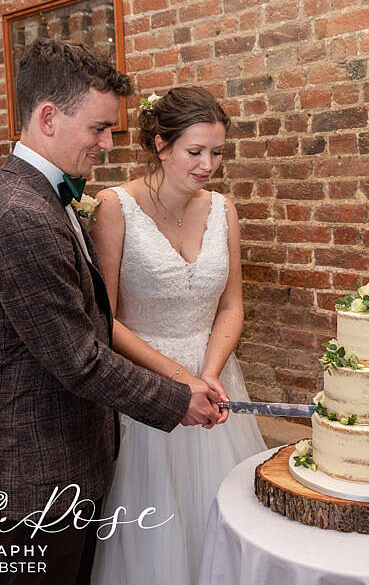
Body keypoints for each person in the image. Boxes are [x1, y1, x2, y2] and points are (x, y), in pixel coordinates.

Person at [0, 38, 220, 585]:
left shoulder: (41, 196)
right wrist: (179, 398)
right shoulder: (22, 217)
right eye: (99, 127)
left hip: (69, 461)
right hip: (36, 477)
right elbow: (79, 359)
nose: (107, 141)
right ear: (48, 117)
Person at [90, 87, 267, 585]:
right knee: (156, 525)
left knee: (219, 511)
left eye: (217, 153)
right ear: (161, 144)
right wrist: (178, 381)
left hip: (214, 378)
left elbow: (232, 304)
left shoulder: (223, 209)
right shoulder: (113, 207)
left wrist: (208, 375)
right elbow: (104, 320)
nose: (208, 165)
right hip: (145, 385)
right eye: (195, 152)